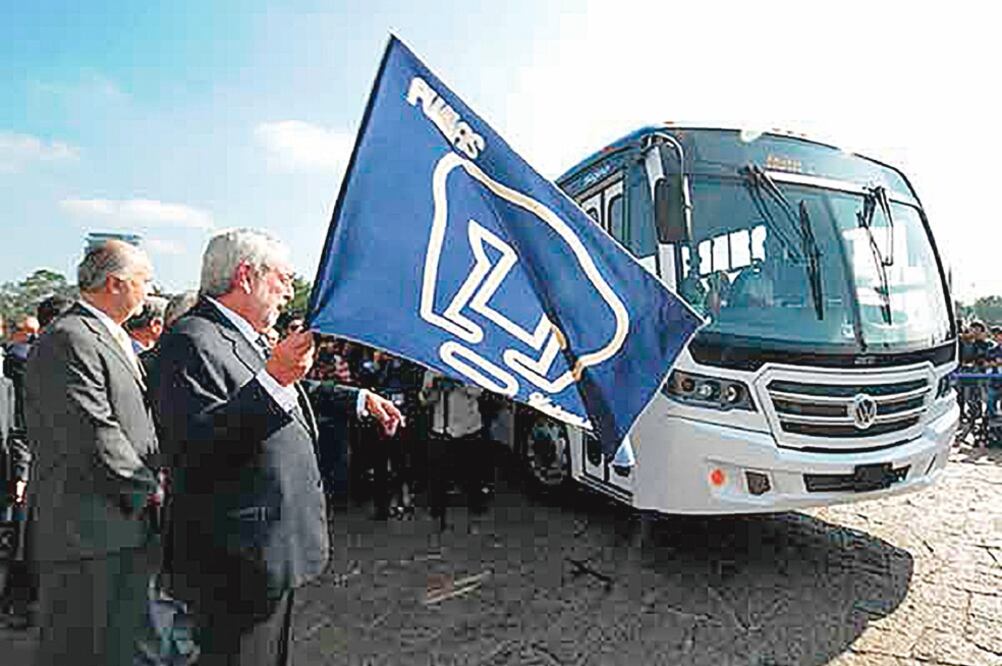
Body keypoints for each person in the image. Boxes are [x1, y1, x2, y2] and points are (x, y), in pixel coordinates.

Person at [152, 228, 403, 665]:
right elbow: (197, 449)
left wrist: (359, 399)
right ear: (246, 276)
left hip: (266, 549)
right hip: (235, 557)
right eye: (282, 278)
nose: (289, 292)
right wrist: (276, 378)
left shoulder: (240, 336)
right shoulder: (190, 341)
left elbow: (294, 390)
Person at [23, 240, 161, 665]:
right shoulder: (70, 338)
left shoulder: (106, 335)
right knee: (77, 646)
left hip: (118, 523)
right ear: (116, 284)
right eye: (145, 281)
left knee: (115, 644)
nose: (150, 291)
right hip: (85, 530)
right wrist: (151, 489)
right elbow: (93, 433)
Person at [420, 369, 493, 528]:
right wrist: (433, 389)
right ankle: (437, 508)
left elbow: (478, 391)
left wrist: (458, 382)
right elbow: (425, 400)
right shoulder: (432, 370)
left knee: (472, 471)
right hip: (441, 428)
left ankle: (477, 503)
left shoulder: (467, 366)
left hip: (468, 427)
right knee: (438, 472)